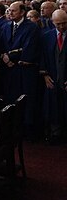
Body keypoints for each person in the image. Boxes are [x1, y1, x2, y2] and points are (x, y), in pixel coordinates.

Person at [0, 1, 41, 140]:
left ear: (22, 12)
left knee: (25, 102)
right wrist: (4, 57)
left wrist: (10, 58)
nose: (10, 13)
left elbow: (28, 47)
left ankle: (26, 131)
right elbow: (1, 45)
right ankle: (12, 129)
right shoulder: (5, 26)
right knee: (10, 100)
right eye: (9, 11)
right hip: (9, 72)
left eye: (13, 11)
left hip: (23, 70)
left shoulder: (31, 28)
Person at [40, 9, 67, 144]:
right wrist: (44, 75)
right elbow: (42, 58)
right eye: (58, 24)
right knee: (53, 108)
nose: (61, 27)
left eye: (64, 23)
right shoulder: (46, 37)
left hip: (65, 78)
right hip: (52, 78)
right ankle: (55, 134)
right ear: (52, 22)